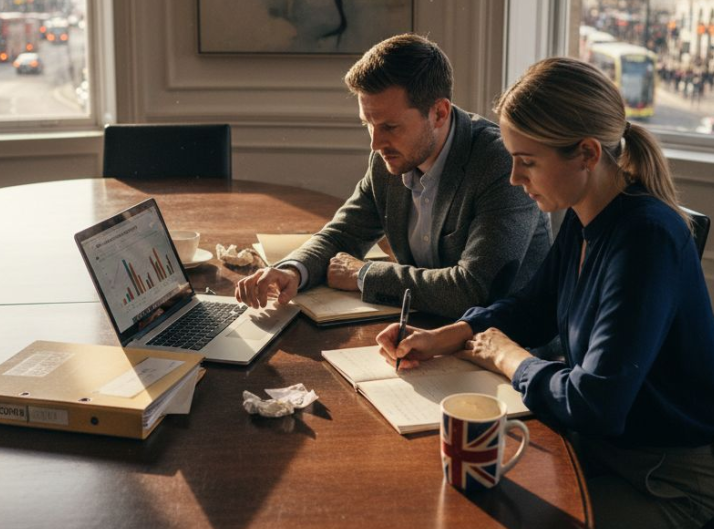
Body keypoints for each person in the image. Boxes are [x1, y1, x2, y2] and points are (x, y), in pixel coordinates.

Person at [377, 56, 714, 529]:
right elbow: (534, 308)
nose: (514, 178)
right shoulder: (585, 214)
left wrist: (510, 359)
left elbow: (596, 403)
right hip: (611, 457)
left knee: (490, 523)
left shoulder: (645, 239)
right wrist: (450, 334)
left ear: (587, 155)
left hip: (678, 489)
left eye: (527, 161)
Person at [235, 33, 550, 318]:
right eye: (367, 124)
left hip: (506, 349)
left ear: (439, 112)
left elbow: (473, 289)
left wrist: (364, 275)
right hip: (420, 329)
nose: (375, 143)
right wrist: (292, 270)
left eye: (389, 126)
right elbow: (342, 235)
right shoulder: (388, 158)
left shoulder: (498, 163)